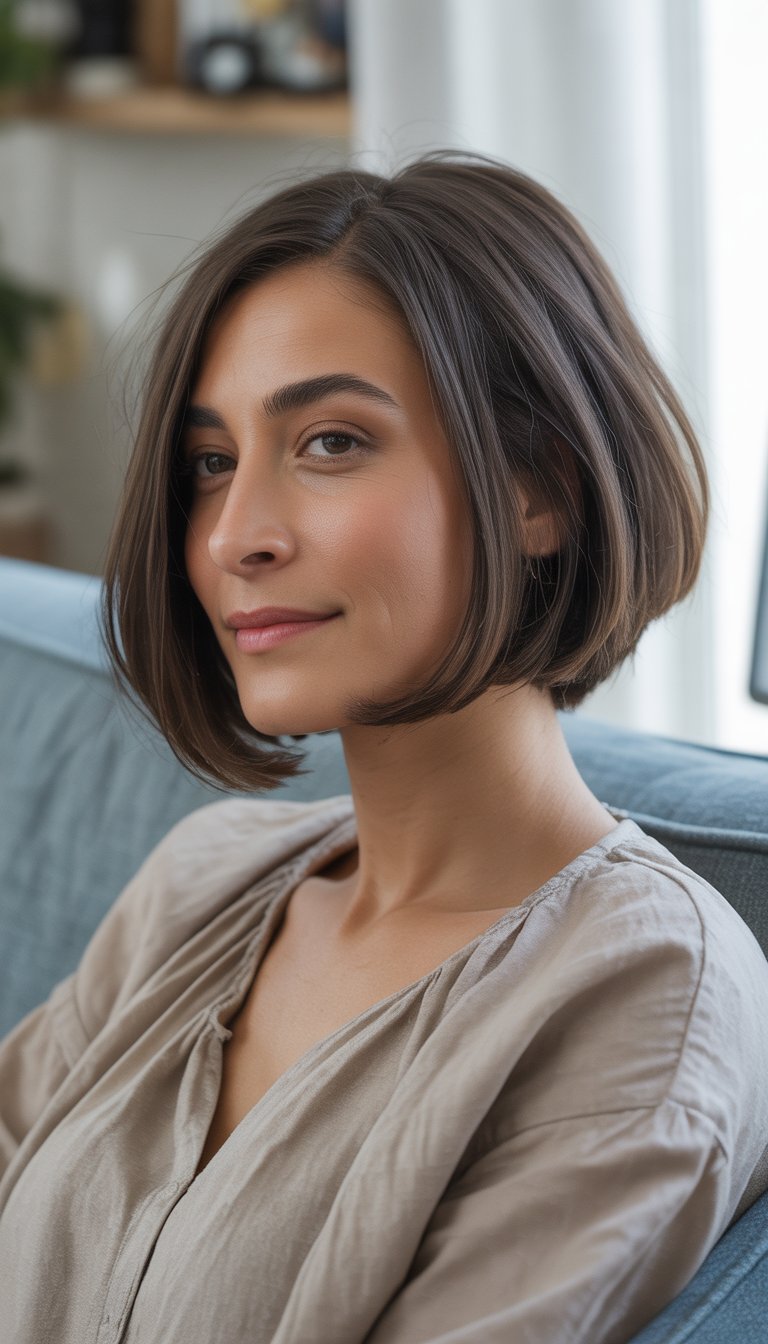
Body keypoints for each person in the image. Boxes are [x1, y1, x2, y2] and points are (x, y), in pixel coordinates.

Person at [1, 151, 767, 1344]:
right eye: (213, 463)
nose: (235, 536)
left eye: (330, 443)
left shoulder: (647, 990)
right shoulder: (199, 885)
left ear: (540, 487)